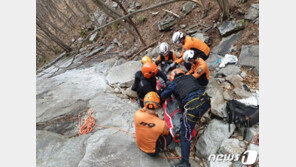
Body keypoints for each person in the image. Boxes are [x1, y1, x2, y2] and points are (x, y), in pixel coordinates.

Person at [161, 69, 211, 167]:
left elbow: (163, 95)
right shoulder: (191, 77)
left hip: (193, 108)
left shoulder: (174, 83)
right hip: (206, 101)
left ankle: (185, 162)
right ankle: (200, 120)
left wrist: (168, 89)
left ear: (172, 78)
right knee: (192, 114)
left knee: (185, 135)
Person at [134, 91, 172, 156]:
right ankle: (159, 149)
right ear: (157, 106)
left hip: (139, 144)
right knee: (170, 136)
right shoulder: (161, 124)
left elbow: (144, 109)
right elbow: (166, 132)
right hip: (151, 152)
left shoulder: (137, 114)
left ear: (145, 104)